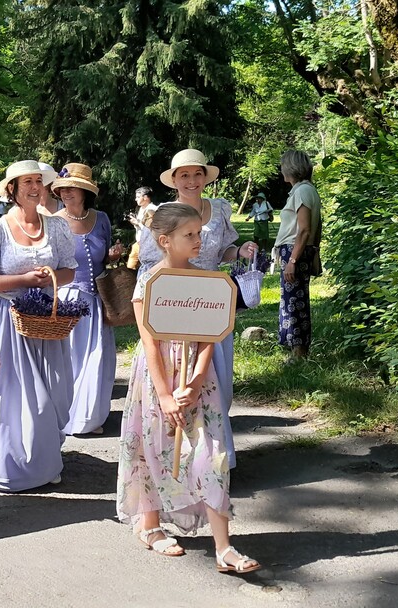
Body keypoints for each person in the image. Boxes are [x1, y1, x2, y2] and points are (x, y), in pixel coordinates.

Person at [118, 203, 260, 574]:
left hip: (199, 377)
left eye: (199, 232)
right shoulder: (149, 282)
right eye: (190, 234)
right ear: (165, 240)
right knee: (152, 446)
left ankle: (224, 548)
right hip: (158, 376)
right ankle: (149, 524)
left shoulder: (207, 281)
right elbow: (149, 343)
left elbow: (209, 336)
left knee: (211, 454)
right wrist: (166, 395)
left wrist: (195, 382)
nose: (199, 240)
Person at [136, 149, 259, 469]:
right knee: (180, 379)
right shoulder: (164, 214)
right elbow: (150, 261)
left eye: (197, 174)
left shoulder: (219, 209)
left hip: (211, 300)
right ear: (174, 180)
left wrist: (239, 251)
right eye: (184, 175)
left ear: (205, 177)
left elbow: (223, 251)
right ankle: (177, 459)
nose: (191, 180)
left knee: (217, 383)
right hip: (176, 299)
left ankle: (212, 458)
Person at [0, 160, 78, 492]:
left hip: (47, 318)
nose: (34, 187)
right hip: (8, 318)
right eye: (27, 182)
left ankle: (45, 457)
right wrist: (22, 280)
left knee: (56, 392)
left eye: (38, 181)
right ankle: (14, 468)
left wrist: (50, 278)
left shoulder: (57, 227)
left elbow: (69, 270)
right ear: (12, 189)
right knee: (15, 398)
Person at [51, 163, 123, 435]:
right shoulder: (54, 222)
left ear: (85, 192)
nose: (66, 192)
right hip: (68, 298)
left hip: (97, 299)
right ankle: (66, 417)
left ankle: (90, 417)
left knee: (98, 358)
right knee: (70, 358)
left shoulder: (101, 219)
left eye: (72, 188)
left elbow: (102, 259)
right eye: (62, 188)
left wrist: (112, 256)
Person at [274, 150, 322, 363]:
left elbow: (304, 229)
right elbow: (316, 227)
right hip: (301, 250)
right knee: (294, 301)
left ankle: (299, 353)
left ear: (291, 167)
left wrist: (292, 260)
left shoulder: (302, 191)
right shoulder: (306, 190)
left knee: (294, 303)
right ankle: (298, 350)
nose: (281, 169)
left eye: (283, 165)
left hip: (295, 251)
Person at [126, 186, 153, 269]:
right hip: (139, 243)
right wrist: (135, 222)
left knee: (148, 268)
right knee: (130, 267)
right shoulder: (141, 209)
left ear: (145, 197)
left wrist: (137, 223)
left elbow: (151, 229)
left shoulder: (152, 210)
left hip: (148, 245)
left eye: (138, 197)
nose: (135, 199)